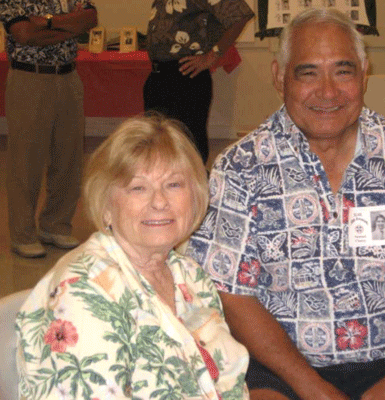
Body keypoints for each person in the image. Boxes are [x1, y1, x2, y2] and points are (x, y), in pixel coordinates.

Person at [187, 8, 385, 400]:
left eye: (343, 71)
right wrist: (313, 389)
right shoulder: (241, 167)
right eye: (308, 73)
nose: (328, 92)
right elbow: (230, 291)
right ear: (279, 78)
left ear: (364, 73)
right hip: (280, 368)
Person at [15, 115, 250, 399]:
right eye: (138, 188)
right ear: (106, 207)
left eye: (174, 185)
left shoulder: (189, 274)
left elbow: (226, 377)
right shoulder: (84, 290)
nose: (160, 201)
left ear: (196, 197)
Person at [0, 0, 98, 258]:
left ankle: (55, 225)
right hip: (29, 78)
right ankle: (23, 235)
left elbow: (90, 19)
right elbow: (24, 34)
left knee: (69, 158)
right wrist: (70, 26)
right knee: (26, 161)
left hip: (68, 77)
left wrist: (48, 23)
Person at [143, 0, 254, 164]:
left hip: (186, 75)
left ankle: (194, 180)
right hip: (158, 76)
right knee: (156, 142)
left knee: (188, 146)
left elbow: (240, 14)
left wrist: (212, 55)